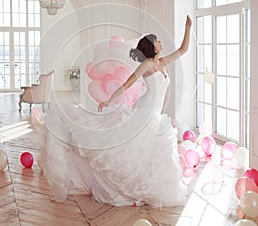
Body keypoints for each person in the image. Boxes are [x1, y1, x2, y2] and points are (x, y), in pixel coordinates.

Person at [37, 15, 192, 208]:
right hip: (144, 112)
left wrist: (188, 29)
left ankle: (145, 185)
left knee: (150, 152)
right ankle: (126, 185)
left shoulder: (162, 63)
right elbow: (127, 83)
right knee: (130, 150)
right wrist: (109, 99)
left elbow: (183, 50)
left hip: (155, 114)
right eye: (157, 40)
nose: (161, 42)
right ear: (152, 47)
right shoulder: (147, 65)